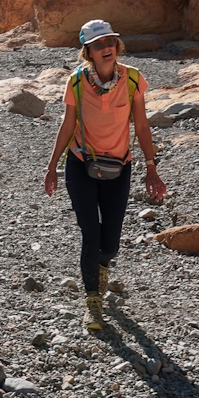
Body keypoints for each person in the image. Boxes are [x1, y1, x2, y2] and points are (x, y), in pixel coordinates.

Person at [43, 19, 167, 332]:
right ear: (89, 52)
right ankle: (92, 301)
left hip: (119, 166)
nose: (106, 47)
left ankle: (101, 267)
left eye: (110, 41)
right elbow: (68, 124)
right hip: (81, 164)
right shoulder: (76, 81)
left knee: (110, 244)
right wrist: (52, 166)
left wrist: (151, 168)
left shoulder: (133, 79)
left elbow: (141, 126)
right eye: (98, 44)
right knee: (90, 233)